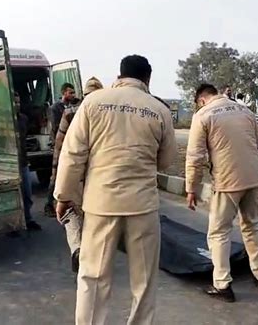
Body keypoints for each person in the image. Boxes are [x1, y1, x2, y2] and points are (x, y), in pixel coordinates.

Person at [54, 55, 177, 325]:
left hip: (101, 203)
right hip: (143, 205)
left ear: (120, 76)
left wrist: (63, 196)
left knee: (93, 278)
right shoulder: (159, 110)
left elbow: (73, 155)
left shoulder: (93, 103)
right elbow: (166, 161)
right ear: (147, 79)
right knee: (144, 280)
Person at [186, 83, 258, 303]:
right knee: (253, 225)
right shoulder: (245, 111)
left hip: (228, 180)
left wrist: (191, 189)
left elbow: (195, 157)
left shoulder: (203, 115)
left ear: (201, 99)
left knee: (219, 231)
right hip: (252, 177)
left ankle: (222, 284)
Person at [51, 77, 103, 271]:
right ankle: (93, 255)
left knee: (71, 214)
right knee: (95, 218)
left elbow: (61, 148)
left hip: (75, 174)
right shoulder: (112, 115)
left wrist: (57, 183)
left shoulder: (72, 112)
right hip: (100, 177)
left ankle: (78, 249)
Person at [45, 82, 76, 217]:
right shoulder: (55, 108)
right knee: (56, 176)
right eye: (70, 92)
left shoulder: (72, 106)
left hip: (69, 144)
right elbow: (56, 128)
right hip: (59, 145)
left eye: (73, 92)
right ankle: (49, 205)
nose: (73, 95)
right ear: (64, 93)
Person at [14, 92, 42, 231]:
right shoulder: (3, 119)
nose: (17, 105)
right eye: (14, 102)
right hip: (10, 164)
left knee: (27, 192)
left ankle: (28, 219)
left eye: (18, 102)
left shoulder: (23, 119)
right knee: (14, 196)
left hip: (23, 161)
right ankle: (13, 225)